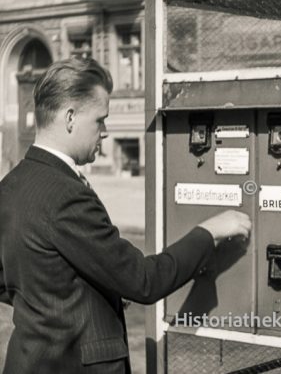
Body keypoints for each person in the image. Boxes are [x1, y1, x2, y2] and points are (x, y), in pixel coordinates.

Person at [0, 57, 251, 374]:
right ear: (70, 118)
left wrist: (59, 301)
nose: (105, 132)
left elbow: (14, 277)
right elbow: (143, 281)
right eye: (100, 120)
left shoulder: (11, 185)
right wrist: (209, 231)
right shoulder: (66, 195)